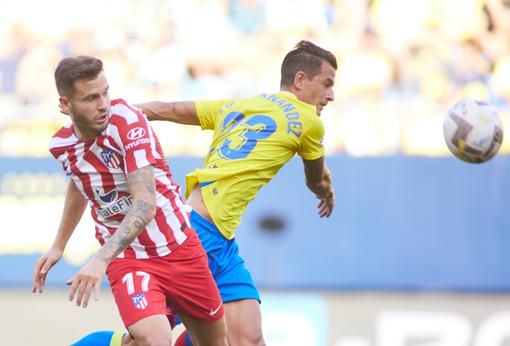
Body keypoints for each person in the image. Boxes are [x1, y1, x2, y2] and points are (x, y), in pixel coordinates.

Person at [71, 39, 336, 346]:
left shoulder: (240, 105)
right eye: (327, 84)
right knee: (146, 341)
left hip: (217, 238)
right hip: (195, 234)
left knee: (247, 339)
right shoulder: (309, 122)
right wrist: (326, 193)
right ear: (300, 80)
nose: (331, 95)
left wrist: (111, 117)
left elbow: (165, 109)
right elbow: (315, 178)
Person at [32, 56, 228, 346]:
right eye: (90, 98)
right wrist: (59, 245)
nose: (103, 105)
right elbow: (80, 181)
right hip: (129, 257)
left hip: (179, 247)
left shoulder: (128, 121)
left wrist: (98, 260)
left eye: (105, 92)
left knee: (216, 342)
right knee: (154, 340)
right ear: (65, 104)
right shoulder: (60, 146)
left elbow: (145, 205)